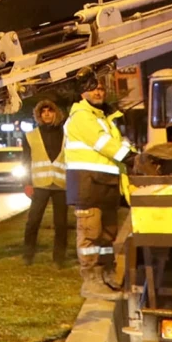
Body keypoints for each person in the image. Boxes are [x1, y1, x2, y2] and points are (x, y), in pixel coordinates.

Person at [64, 71, 135, 300]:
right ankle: (91, 280)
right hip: (87, 184)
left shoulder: (102, 117)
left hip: (104, 184)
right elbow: (104, 144)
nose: (98, 91)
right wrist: (132, 157)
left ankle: (106, 275)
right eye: (93, 88)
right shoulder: (82, 116)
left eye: (101, 88)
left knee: (107, 235)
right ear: (82, 93)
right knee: (90, 235)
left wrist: (135, 155)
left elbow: (115, 144)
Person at [23, 99, 68, 266]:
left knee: (61, 224)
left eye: (50, 110)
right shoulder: (31, 136)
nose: (47, 114)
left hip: (61, 184)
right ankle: (28, 255)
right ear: (39, 115)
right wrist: (27, 183)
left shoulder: (66, 134)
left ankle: (59, 258)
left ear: (56, 113)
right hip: (39, 184)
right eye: (43, 111)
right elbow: (25, 161)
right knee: (33, 221)